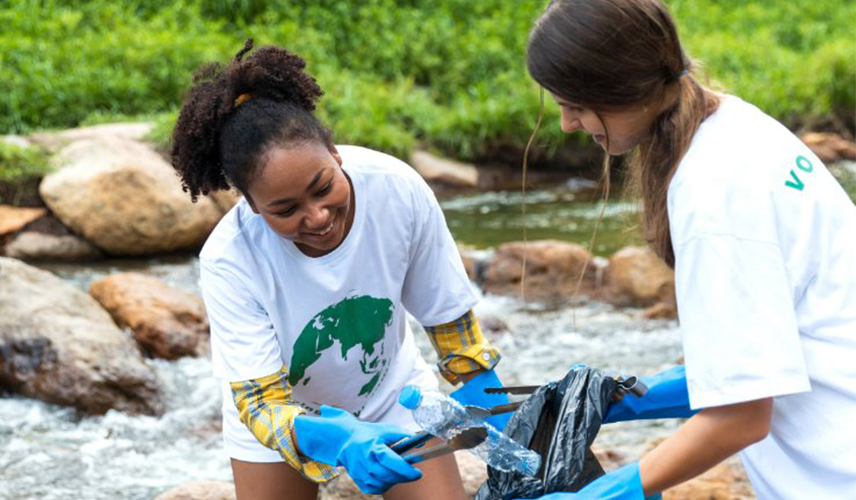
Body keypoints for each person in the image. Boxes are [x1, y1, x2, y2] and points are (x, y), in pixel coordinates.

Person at [522, 0, 856, 499]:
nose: (569, 123)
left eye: (576, 104)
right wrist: (632, 399)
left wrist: (607, 493)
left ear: (621, 89)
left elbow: (742, 417)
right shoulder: (738, 125)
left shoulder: (712, 198)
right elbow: (767, 352)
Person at [170, 40, 510, 500]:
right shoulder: (230, 258)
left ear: (333, 151)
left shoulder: (397, 190)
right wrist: (341, 438)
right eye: (285, 210)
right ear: (250, 204)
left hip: (393, 396)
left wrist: (506, 422)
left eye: (323, 187)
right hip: (285, 419)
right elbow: (259, 402)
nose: (317, 217)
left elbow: (453, 330)